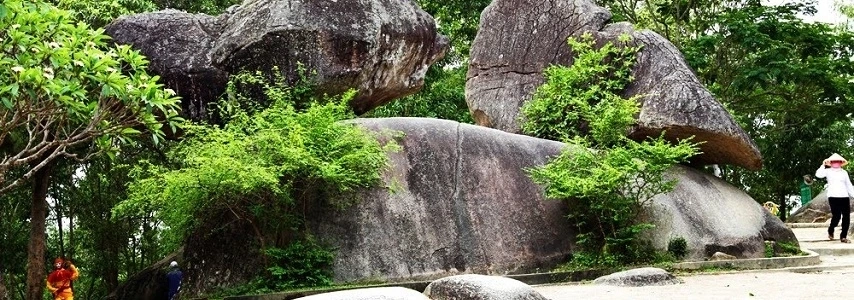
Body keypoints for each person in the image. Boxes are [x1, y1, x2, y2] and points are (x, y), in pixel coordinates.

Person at [815, 153, 854, 243]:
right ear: (831, 162)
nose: (836, 163)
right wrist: (823, 165)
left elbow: (849, 185)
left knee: (846, 216)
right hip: (833, 196)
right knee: (836, 216)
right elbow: (818, 175)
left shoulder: (844, 173)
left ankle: (843, 236)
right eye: (834, 161)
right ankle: (831, 229)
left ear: (841, 162)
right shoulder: (828, 171)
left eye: (838, 161)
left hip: (844, 196)